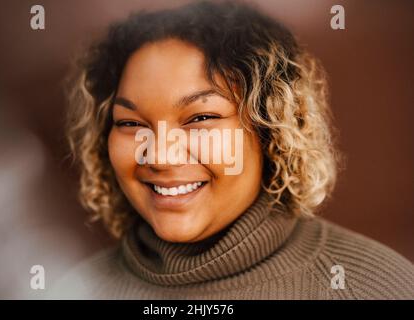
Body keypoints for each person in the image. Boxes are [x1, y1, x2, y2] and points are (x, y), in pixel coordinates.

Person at [52, 0, 414, 299]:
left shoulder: (374, 288)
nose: (160, 155)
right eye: (131, 124)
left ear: (271, 129)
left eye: (200, 118)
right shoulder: (70, 291)